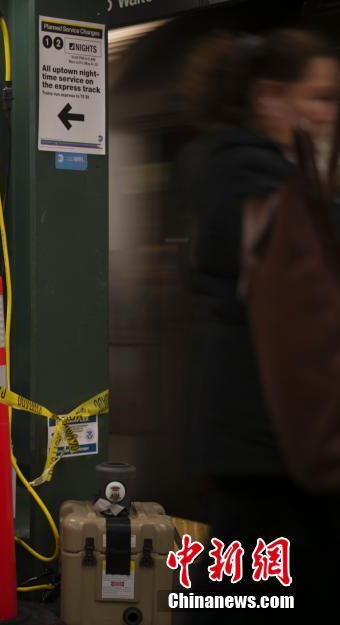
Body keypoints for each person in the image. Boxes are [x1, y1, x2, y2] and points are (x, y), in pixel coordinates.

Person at [177, 29, 340, 621]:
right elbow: (300, 303)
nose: (329, 115)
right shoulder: (257, 181)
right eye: (320, 98)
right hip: (274, 436)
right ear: (271, 97)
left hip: (253, 437)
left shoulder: (235, 170)